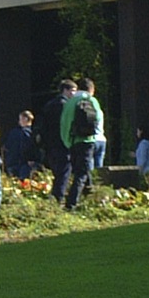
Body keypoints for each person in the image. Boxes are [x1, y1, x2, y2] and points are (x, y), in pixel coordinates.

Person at [63, 77, 105, 211]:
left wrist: (68, 142)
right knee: (82, 173)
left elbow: (64, 124)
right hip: (88, 141)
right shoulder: (91, 100)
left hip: (73, 142)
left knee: (81, 171)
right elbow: (97, 119)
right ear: (91, 89)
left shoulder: (70, 102)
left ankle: (89, 198)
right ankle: (71, 204)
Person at [5, 110, 40, 183]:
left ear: (25, 119)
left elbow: (7, 146)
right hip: (24, 163)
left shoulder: (14, 132)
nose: (19, 121)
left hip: (13, 162)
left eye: (20, 119)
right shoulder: (32, 133)